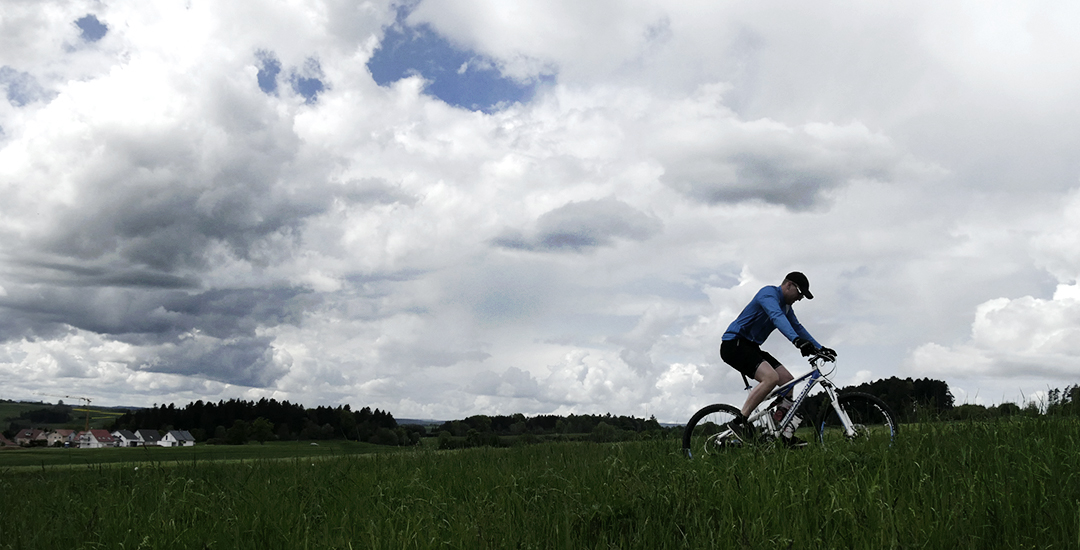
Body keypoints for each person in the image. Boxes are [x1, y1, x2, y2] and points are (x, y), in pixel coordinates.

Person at [719, 272, 835, 446]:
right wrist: (796, 341)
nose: (801, 298)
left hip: (751, 347)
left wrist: (820, 348)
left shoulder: (787, 307)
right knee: (771, 377)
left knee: (788, 382)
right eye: (800, 293)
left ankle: (781, 435)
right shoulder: (768, 294)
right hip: (733, 344)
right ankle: (739, 422)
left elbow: (798, 327)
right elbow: (776, 317)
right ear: (788, 285)